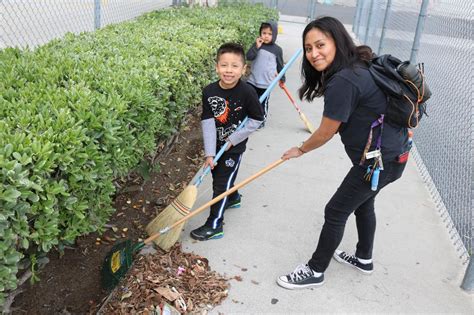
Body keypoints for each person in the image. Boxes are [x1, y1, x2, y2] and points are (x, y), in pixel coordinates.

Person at [277, 17, 410, 289]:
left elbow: (326, 131)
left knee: (335, 211)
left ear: (336, 41)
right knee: (364, 203)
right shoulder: (358, 66)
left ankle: (315, 270)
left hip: (377, 163)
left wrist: (300, 150)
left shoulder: (344, 80)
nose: (314, 54)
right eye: (308, 48)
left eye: (320, 45)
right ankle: (364, 259)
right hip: (396, 157)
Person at [190, 43, 264, 241]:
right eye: (224, 65)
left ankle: (215, 224)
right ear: (217, 67)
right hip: (216, 145)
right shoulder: (209, 91)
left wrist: (233, 139)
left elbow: (257, 120)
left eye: (234, 66)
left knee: (220, 185)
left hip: (234, 148)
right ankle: (233, 197)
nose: (229, 70)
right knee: (218, 176)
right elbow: (207, 121)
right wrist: (209, 153)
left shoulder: (248, 92)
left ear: (243, 69)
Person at [246, 21, 285, 127]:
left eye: (269, 34)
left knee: (263, 103)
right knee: (250, 101)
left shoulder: (277, 50)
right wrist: (256, 47)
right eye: (264, 33)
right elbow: (249, 57)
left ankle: (261, 120)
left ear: (275, 35)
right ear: (260, 33)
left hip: (266, 83)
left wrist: (282, 79)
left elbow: (280, 66)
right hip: (252, 80)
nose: (266, 36)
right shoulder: (257, 45)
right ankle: (248, 119)